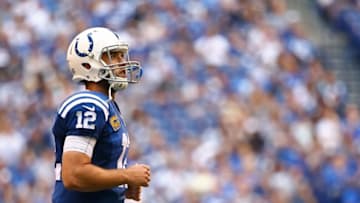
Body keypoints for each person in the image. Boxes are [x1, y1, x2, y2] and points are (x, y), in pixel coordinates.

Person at [52, 27, 151, 203]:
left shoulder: (107, 105)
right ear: (89, 64)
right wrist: (126, 175)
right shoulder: (88, 105)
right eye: (113, 55)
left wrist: (123, 194)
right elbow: (73, 174)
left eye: (122, 55)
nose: (122, 62)